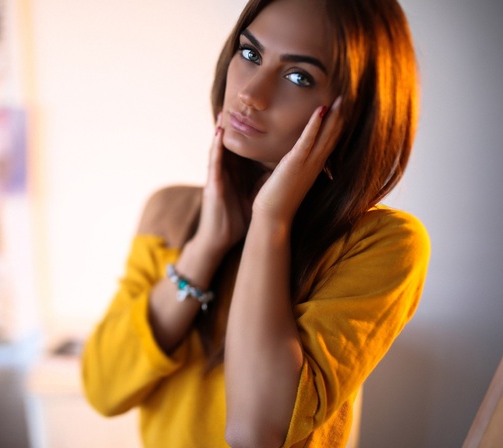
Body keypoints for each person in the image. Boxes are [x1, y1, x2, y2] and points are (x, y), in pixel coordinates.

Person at [81, 0, 430, 446]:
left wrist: (271, 220)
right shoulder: (170, 212)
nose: (252, 93)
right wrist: (204, 248)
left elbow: (254, 432)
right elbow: (102, 389)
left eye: (299, 76)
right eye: (250, 54)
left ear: (356, 110)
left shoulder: (383, 244)